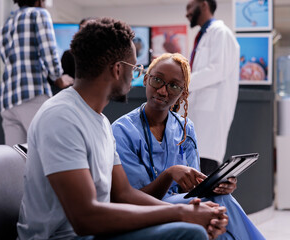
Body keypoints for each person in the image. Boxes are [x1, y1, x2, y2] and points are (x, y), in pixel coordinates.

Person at [16, 17, 228, 240]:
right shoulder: (61, 117)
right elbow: (85, 217)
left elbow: (124, 194)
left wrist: (186, 212)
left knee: (193, 226)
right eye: (134, 67)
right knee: (189, 234)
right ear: (118, 70)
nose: (136, 74)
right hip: (66, 237)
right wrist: (179, 213)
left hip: (93, 232)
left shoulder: (100, 122)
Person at [112, 53, 265, 240]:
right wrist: (170, 174)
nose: (162, 91)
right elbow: (130, 198)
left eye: (174, 86)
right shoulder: (122, 131)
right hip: (150, 210)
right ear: (146, 79)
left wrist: (215, 185)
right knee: (219, 206)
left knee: (220, 212)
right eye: (157, 80)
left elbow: (192, 190)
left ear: (183, 93)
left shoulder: (186, 128)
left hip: (182, 203)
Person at [0, 0, 73, 146]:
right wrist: (58, 77)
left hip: (8, 101)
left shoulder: (4, 27)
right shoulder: (39, 14)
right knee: (49, 151)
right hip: (32, 95)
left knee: (16, 159)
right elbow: (49, 52)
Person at [184, 0, 240, 167]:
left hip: (210, 121)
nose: (186, 13)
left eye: (189, 7)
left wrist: (182, 82)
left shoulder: (221, 33)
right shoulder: (204, 36)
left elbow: (217, 70)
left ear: (203, 4)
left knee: (204, 175)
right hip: (198, 118)